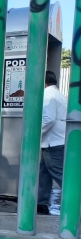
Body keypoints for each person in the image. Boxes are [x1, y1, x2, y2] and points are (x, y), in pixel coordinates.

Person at [37, 70, 67, 215]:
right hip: (53, 142)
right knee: (44, 173)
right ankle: (40, 204)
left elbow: (48, 118)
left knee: (60, 175)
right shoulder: (58, 94)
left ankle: (74, 204)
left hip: (52, 143)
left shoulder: (47, 95)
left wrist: (35, 135)